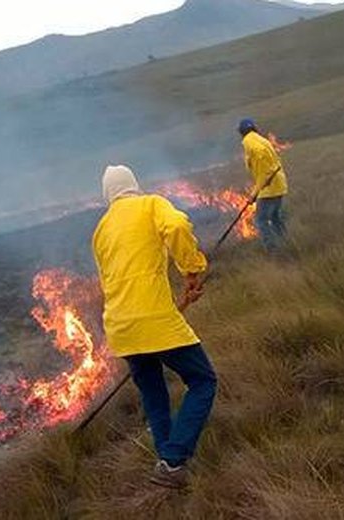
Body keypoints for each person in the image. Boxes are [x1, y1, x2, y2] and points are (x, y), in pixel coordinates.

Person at [92, 165, 217, 489]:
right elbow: (176, 224)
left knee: (154, 394)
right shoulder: (150, 204)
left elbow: (108, 280)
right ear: (134, 185)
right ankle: (175, 458)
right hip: (155, 320)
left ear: (108, 194)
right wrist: (192, 267)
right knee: (203, 380)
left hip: (121, 326)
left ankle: (167, 465)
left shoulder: (102, 228)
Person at [239, 118, 290, 252]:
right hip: (279, 184)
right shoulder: (261, 139)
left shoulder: (250, 143)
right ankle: (286, 242)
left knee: (260, 221)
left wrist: (254, 194)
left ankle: (273, 250)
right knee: (275, 217)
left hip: (269, 188)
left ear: (241, 132)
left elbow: (265, 172)